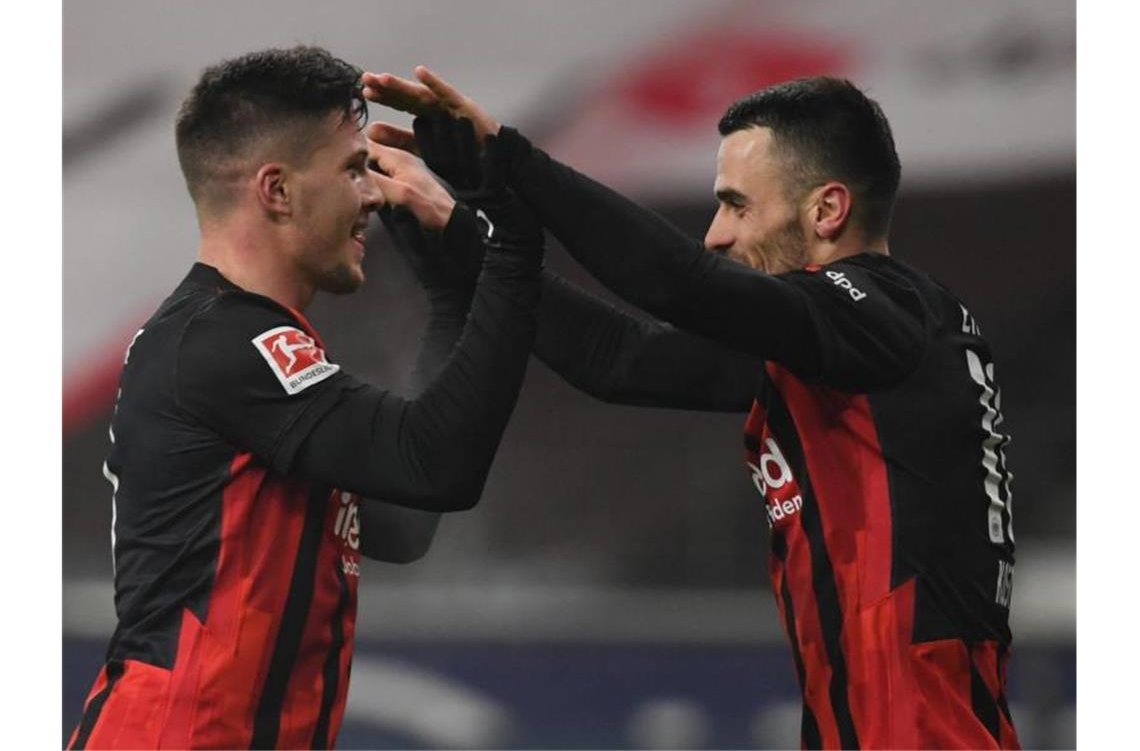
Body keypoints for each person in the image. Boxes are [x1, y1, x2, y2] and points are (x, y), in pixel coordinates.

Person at [365, 68, 1020, 749]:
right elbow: (620, 358)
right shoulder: (851, 347)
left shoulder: (888, 314)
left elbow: (681, 286)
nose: (715, 234)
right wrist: (463, 233)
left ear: (827, 211)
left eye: (737, 205)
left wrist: (511, 159)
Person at [67, 47, 545, 750]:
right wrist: (508, 247)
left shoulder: (245, 349)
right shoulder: (228, 345)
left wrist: (452, 296)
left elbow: (407, 519)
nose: (375, 195)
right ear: (277, 190)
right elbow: (436, 465)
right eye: (353, 168)